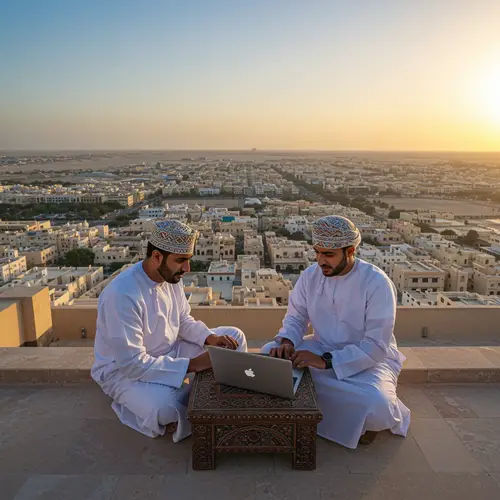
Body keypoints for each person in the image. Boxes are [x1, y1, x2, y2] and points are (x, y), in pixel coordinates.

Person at [262, 215, 410, 449]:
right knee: (269, 354)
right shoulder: (310, 276)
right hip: (320, 345)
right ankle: (340, 414)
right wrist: (288, 341)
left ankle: (361, 421)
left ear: (350, 250)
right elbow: (296, 317)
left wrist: (325, 361)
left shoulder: (376, 283)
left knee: (377, 403)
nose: (320, 261)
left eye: (328, 254)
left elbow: (376, 346)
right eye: (317, 253)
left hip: (368, 359)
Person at [92, 220, 247, 442]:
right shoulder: (122, 295)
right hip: (123, 372)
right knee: (168, 407)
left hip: (171, 350)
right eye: (181, 261)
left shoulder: (171, 276)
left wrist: (209, 338)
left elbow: (183, 320)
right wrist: (196, 364)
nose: (187, 269)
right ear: (157, 257)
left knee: (234, 337)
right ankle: (191, 394)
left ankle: (201, 392)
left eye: (188, 260)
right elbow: (131, 364)